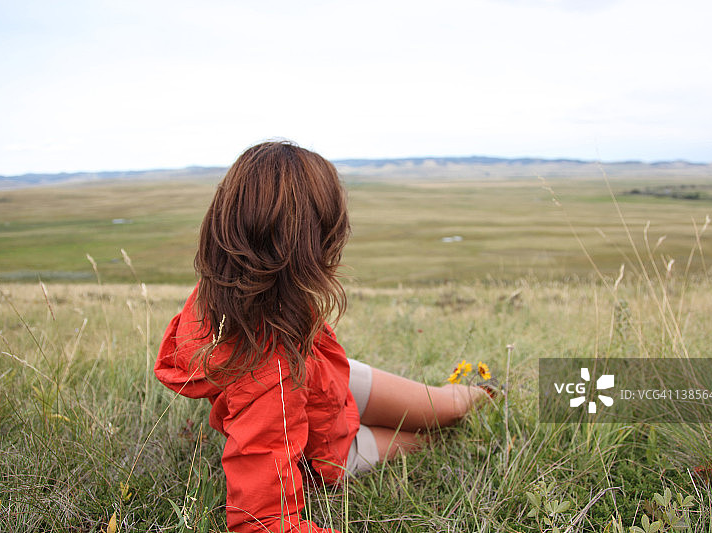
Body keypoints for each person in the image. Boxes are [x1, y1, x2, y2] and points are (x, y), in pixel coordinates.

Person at [154, 141, 487, 532]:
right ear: (305, 246)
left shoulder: (231, 284)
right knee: (433, 438)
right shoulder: (269, 377)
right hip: (331, 448)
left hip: (327, 382)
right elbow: (261, 523)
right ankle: (511, 398)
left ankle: (497, 392)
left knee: (448, 406)